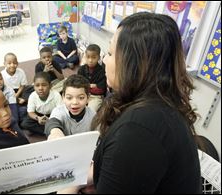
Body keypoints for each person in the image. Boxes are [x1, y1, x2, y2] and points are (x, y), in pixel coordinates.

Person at [59, 12, 202, 194]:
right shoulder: (158, 103)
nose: (104, 59)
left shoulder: (138, 130)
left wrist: (69, 187)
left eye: (110, 53)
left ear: (133, 64)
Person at [45, 74, 96, 140]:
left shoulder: (92, 115)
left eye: (81, 98)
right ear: (63, 97)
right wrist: (56, 132)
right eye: (69, 98)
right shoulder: (59, 111)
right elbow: (52, 122)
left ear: (88, 98)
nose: (74, 102)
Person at [78, 44, 107, 112]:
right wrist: (92, 86)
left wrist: (86, 86)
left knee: (91, 111)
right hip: (83, 93)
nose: (90, 60)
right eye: (88, 57)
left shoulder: (102, 71)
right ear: (85, 56)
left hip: (96, 97)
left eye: (94, 57)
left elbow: (101, 90)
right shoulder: (81, 69)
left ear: (99, 58)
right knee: (76, 106)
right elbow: (78, 84)